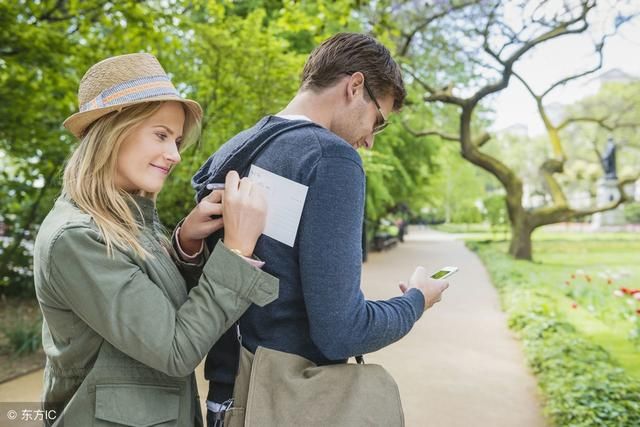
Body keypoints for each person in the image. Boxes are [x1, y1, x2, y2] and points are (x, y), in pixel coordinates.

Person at [191, 33, 449, 425]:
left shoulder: (234, 150)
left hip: (226, 396)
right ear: (355, 86)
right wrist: (417, 300)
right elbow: (342, 331)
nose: (370, 141)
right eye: (377, 121)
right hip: (285, 404)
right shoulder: (331, 159)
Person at [33, 53, 279, 426]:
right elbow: (175, 348)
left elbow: (157, 307)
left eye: (177, 140)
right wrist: (237, 250)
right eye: (161, 135)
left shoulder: (129, 219)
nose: (175, 154)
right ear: (112, 132)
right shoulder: (77, 238)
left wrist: (186, 244)